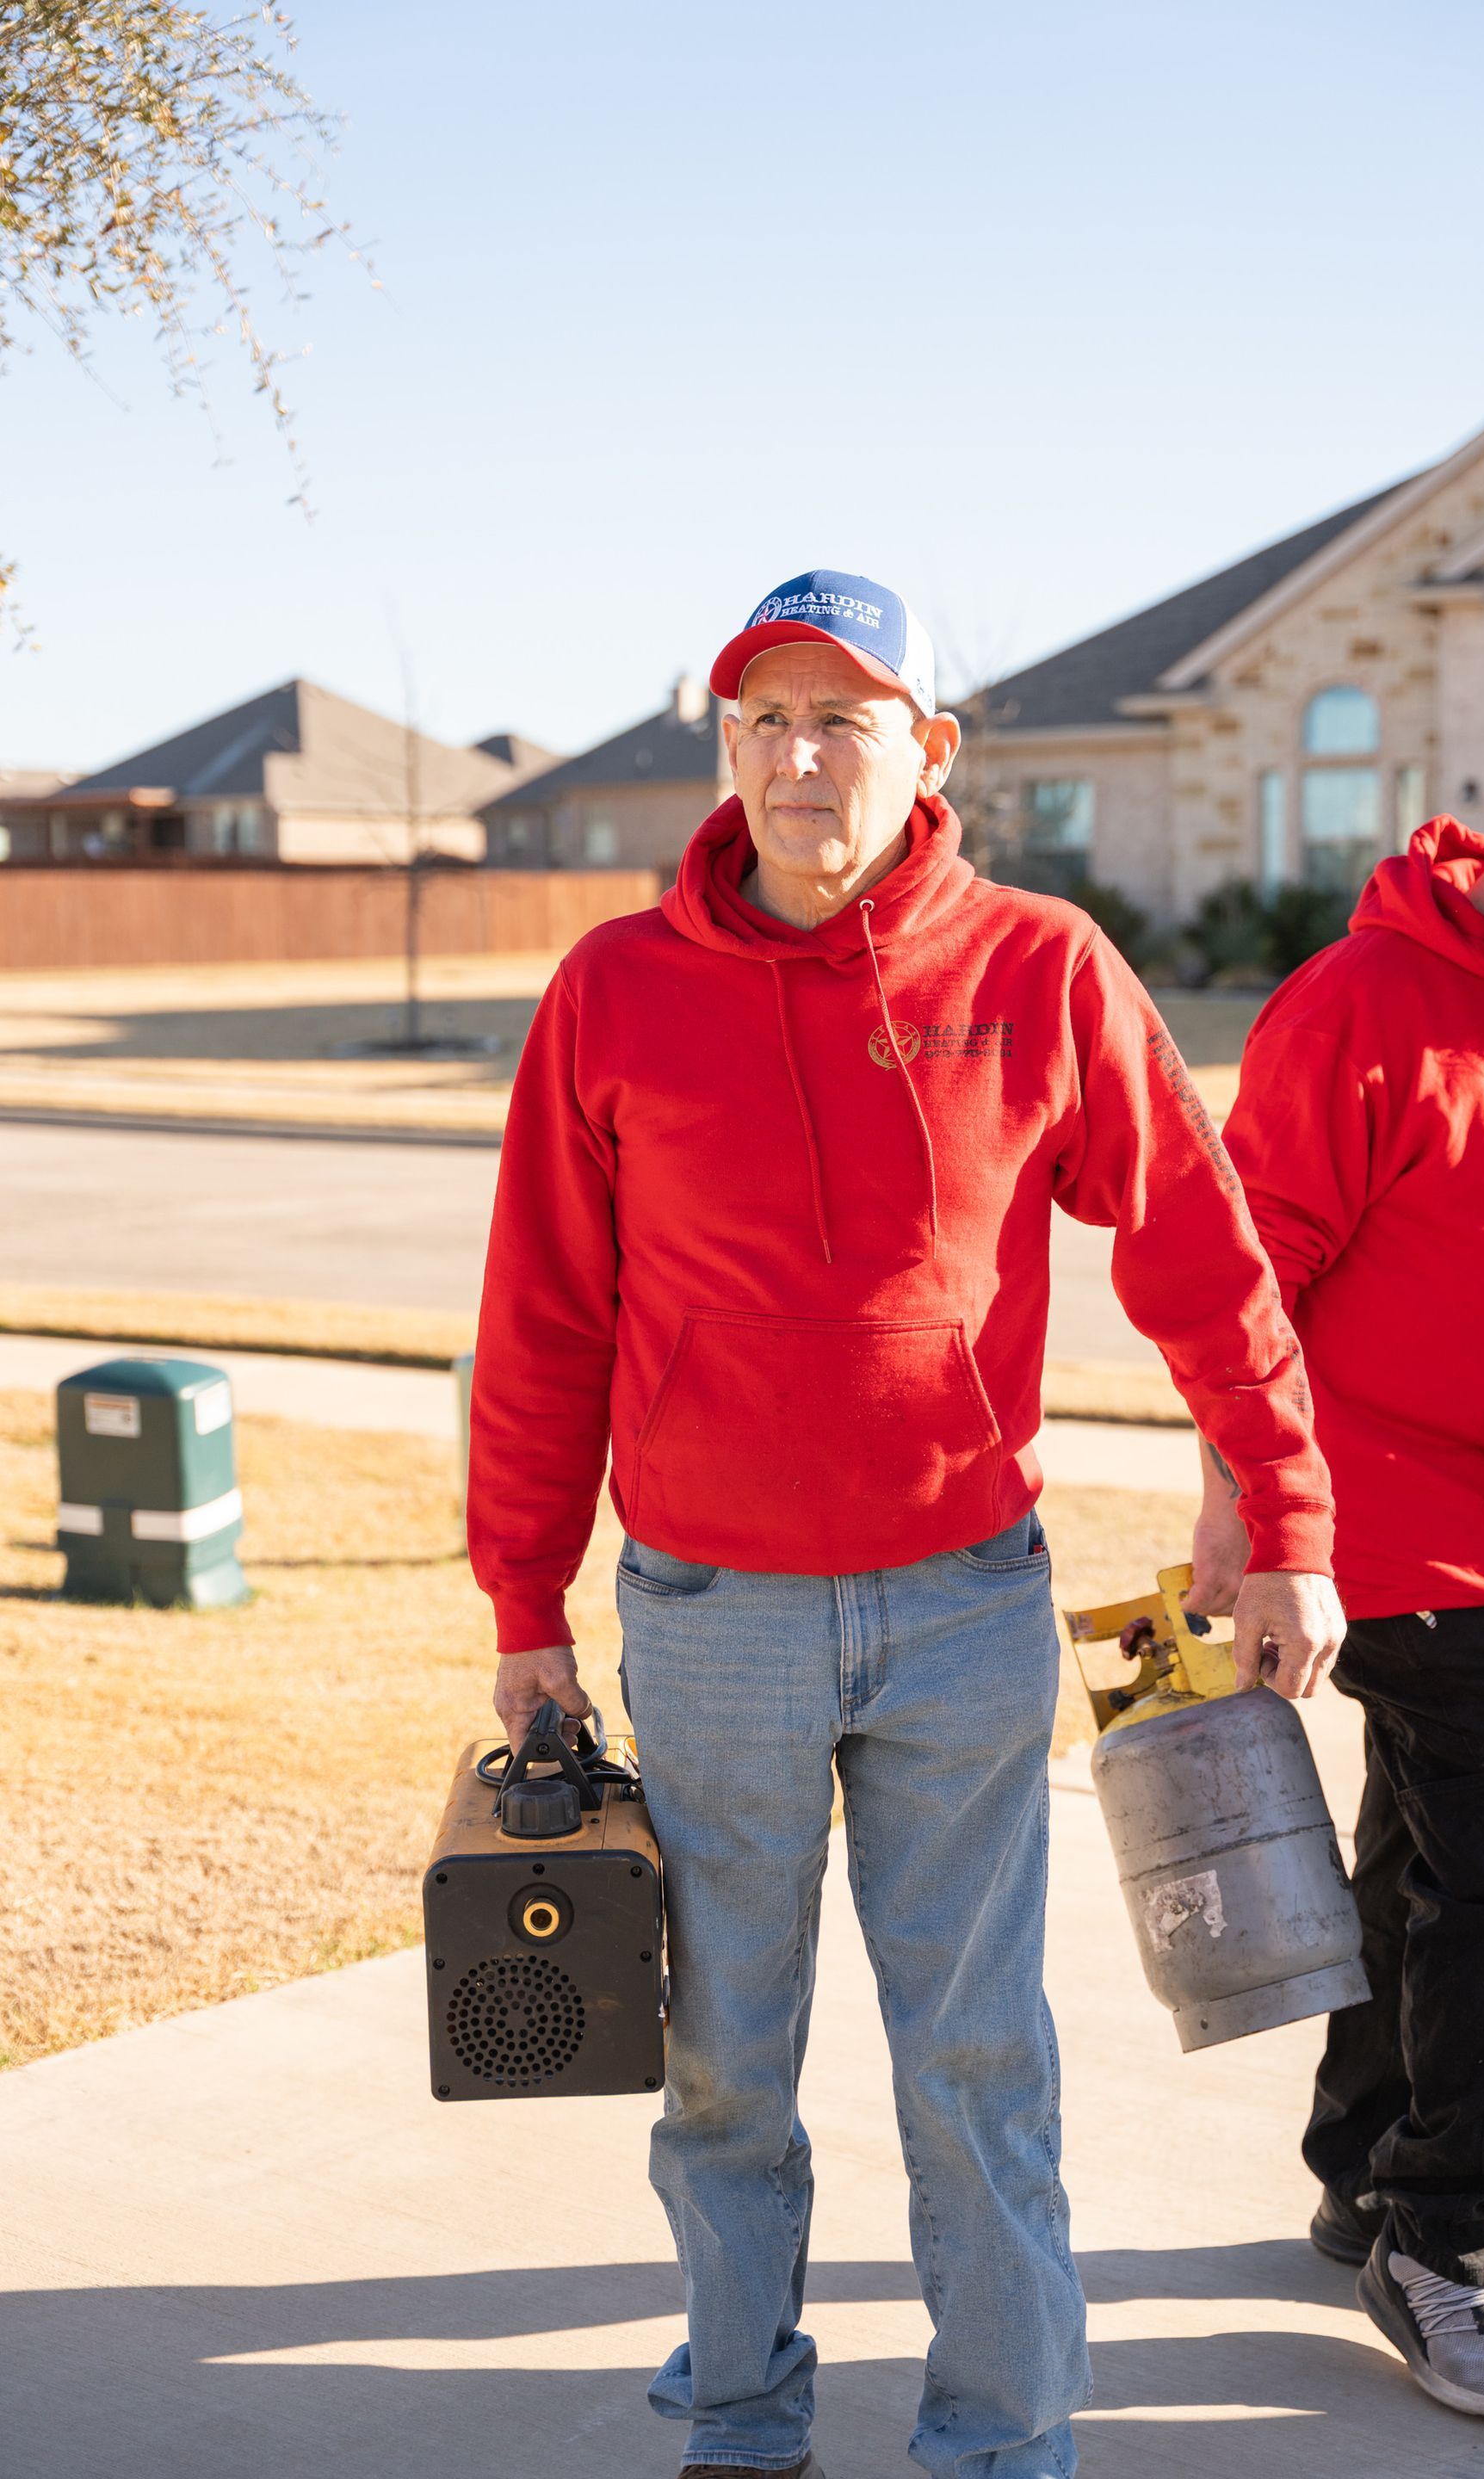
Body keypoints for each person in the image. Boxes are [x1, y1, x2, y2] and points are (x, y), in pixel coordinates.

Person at [467, 568, 1343, 2479]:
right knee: (722, 2072)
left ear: (929, 752)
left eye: (840, 720)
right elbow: (542, 1313)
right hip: (712, 1619)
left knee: (977, 2066)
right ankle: (742, 2421)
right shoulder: (614, 992)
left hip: (960, 1607)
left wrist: (1284, 1512)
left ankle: (1005, 2441)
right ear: (726, 751)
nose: (797, 760)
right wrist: (525, 1596)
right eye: (762, 721)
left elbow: (1205, 1258)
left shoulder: (1038, 968)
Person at [1189, 736, 1484, 2425]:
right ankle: (1449, 2235)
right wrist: (1259, 1519)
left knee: (1427, 1861)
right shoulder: (1361, 1001)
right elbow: (1249, 1285)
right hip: (1396, 1524)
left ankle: (1361, 2172)